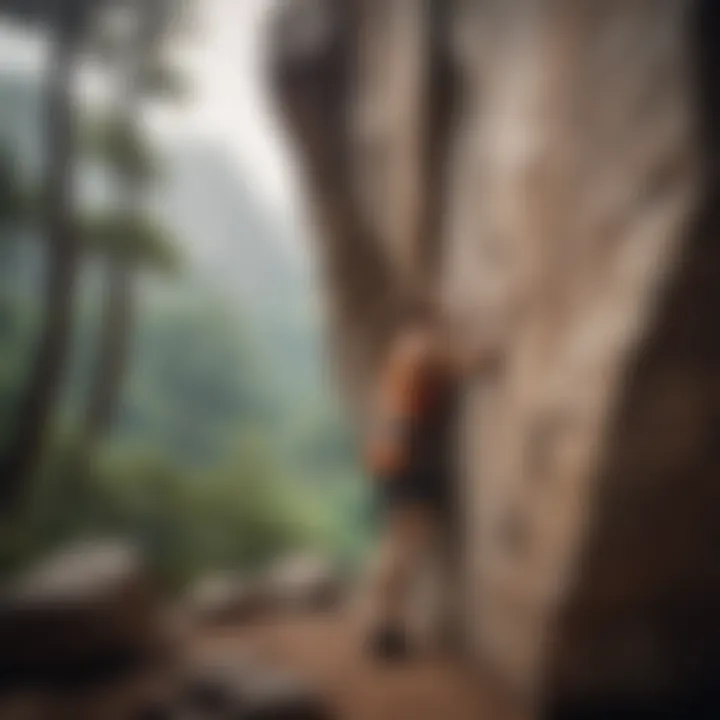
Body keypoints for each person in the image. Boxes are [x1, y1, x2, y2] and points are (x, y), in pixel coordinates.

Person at [363, 302, 464, 661]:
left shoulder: (401, 351)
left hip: (395, 453)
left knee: (397, 542)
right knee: (405, 543)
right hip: (409, 454)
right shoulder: (417, 347)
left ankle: (384, 624)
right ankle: (385, 629)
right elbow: (454, 363)